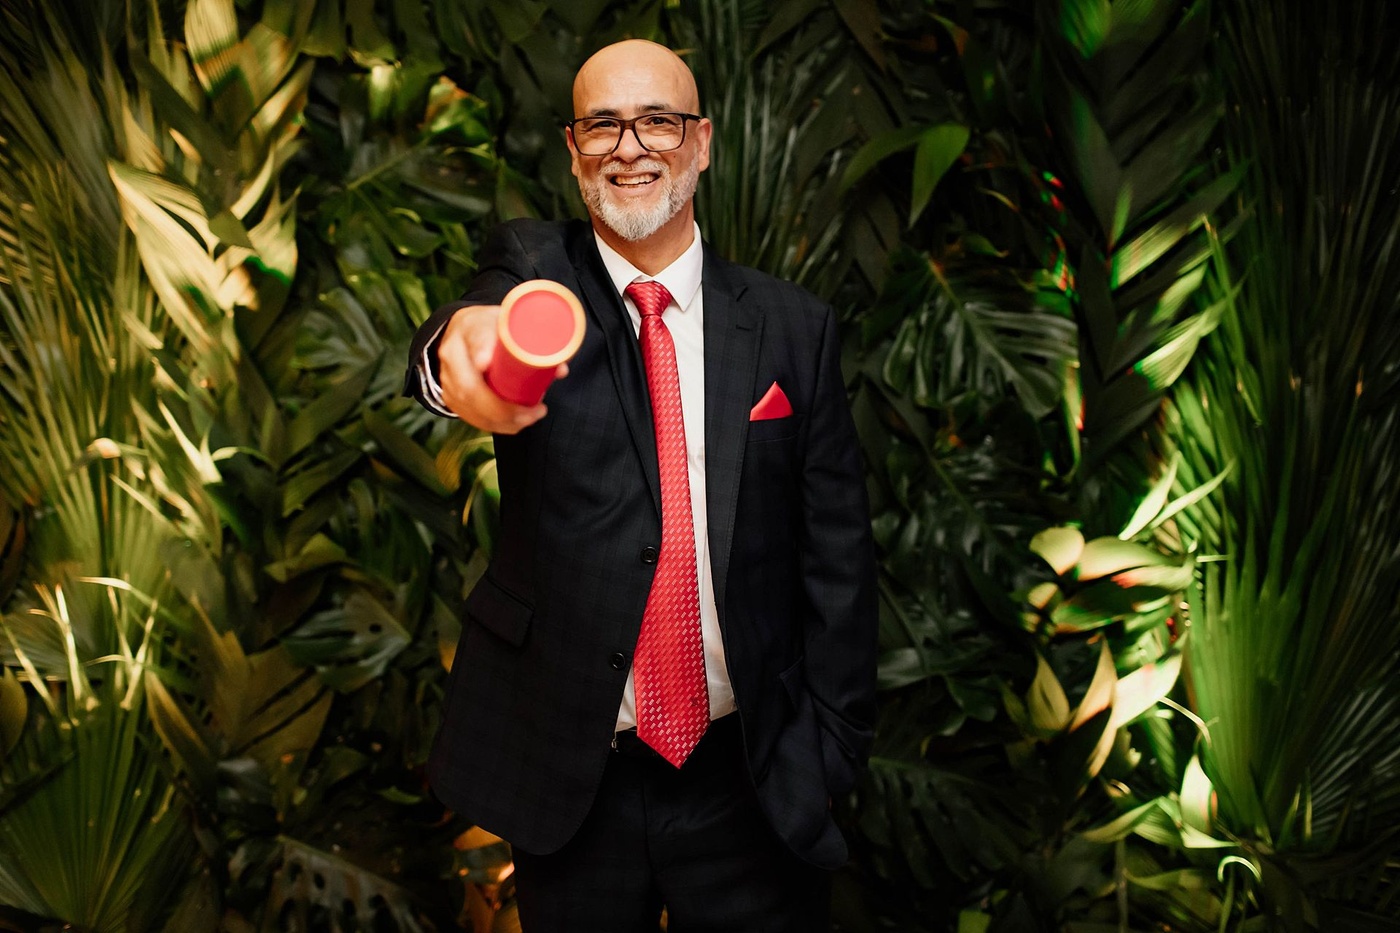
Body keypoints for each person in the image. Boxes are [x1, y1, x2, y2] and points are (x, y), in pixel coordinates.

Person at [404, 38, 876, 932]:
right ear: (573, 147)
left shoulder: (791, 326)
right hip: (575, 774)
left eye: (657, 120)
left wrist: (830, 753)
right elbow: (469, 328)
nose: (630, 147)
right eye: (603, 125)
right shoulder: (536, 272)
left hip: (752, 773)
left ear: (701, 142)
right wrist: (461, 349)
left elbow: (838, 560)